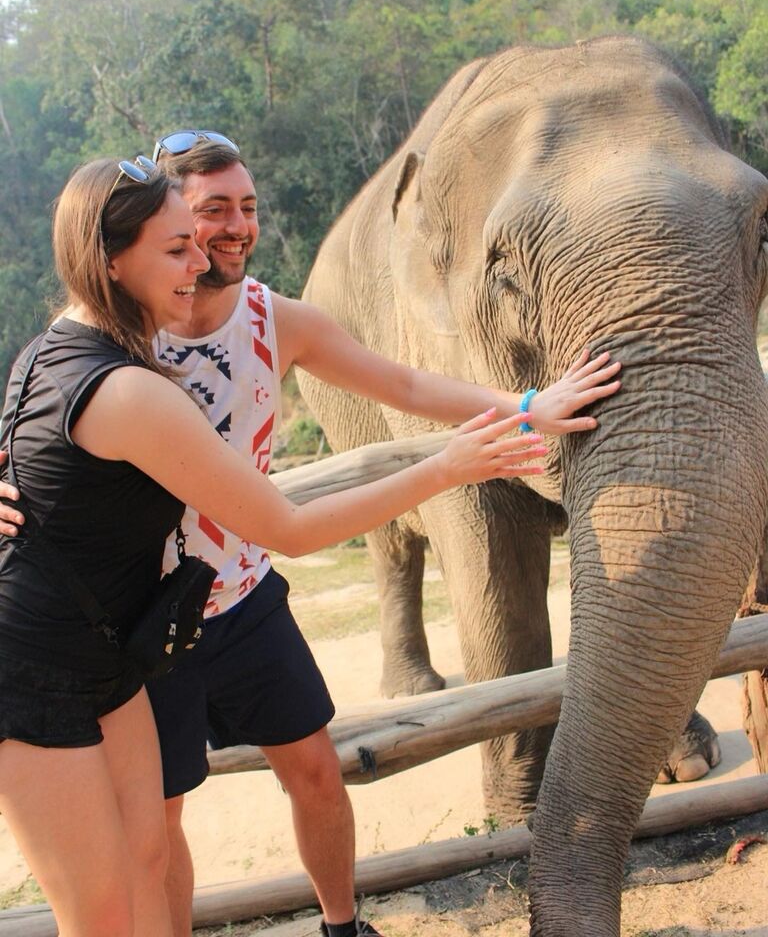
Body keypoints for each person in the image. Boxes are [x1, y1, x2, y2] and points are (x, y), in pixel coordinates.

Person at [0, 135, 621, 937]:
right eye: (191, 231)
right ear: (115, 258)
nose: (211, 249)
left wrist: (524, 405)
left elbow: (400, 382)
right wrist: (448, 467)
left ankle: (341, 923)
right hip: (111, 632)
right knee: (120, 884)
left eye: (243, 211)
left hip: (191, 612)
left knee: (176, 836)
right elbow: (282, 522)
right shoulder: (123, 365)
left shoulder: (201, 327)